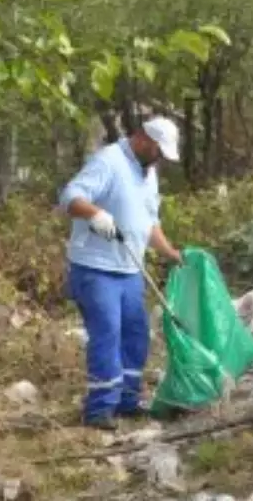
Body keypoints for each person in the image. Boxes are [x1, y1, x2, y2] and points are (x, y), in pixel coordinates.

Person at [59, 116, 184, 430]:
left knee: (136, 334)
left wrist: (169, 252)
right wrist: (95, 213)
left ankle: (127, 401)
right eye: (157, 151)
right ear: (142, 138)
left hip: (130, 268)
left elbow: (148, 222)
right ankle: (100, 409)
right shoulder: (108, 162)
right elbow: (70, 197)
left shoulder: (148, 173)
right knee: (108, 334)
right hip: (96, 268)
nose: (159, 160)